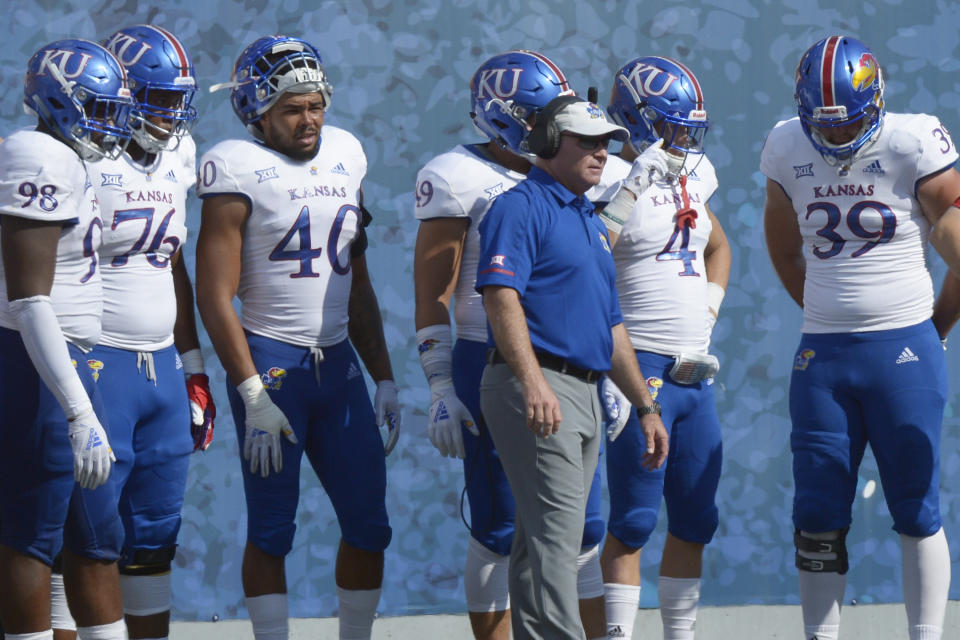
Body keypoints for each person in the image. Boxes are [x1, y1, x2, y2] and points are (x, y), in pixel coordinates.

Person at [195, 35, 400, 640]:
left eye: (315, 105)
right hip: (271, 364)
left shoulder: (346, 153)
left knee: (369, 525)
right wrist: (252, 391)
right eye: (292, 108)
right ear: (257, 111)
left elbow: (354, 274)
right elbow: (214, 295)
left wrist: (383, 374)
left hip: (337, 367)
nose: (309, 119)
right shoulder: (234, 167)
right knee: (272, 529)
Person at [761, 35, 960, 640]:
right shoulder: (785, 142)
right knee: (817, 511)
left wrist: (933, 329)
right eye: (826, 124)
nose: (838, 136)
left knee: (915, 505)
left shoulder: (913, 138)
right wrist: (828, 314)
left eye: (848, 124)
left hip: (904, 349)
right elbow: (786, 249)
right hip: (824, 353)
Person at [413, 50, 608, 640]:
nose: (550, 126)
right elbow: (434, 293)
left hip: (570, 362)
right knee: (499, 526)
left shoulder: (577, 169)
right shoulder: (457, 176)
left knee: (583, 527)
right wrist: (441, 384)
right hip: (491, 356)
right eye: (538, 116)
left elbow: (594, 276)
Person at [475, 94, 670, 640]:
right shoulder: (520, 206)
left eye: (606, 142)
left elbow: (611, 329)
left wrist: (645, 405)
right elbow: (500, 296)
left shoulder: (587, 217)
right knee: (554, 540)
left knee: (550, 538)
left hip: (582, 391)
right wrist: (533, 380)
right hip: (537, 384)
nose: (602, 152)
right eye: (586, 141)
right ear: (548, 143)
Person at [0, 38, 134, 640]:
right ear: (58, 101)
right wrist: (77, 410)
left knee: (97, 537)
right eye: (98, 109)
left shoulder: (66, 158)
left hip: (78, 360)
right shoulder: (34, 154)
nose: (111, 125)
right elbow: (29, 300)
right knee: (31, 535)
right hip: (38, 364)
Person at [84, 24, 215, 640]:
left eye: (177, 99)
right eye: (160, 99)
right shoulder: (79, 156)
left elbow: (174, 260)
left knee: (156, 535)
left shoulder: (180, 152)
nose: (172, 114)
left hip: (160, 364)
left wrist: (192, 364)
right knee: (88, 533)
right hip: (97, 358)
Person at [595, 56, 730, 640]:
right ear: (637, 119)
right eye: (672, 126)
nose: (682, 139)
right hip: (638, 366)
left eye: (688, 128)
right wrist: (631, 184)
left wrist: (709, 306)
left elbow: (717, 244)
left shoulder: (693, 174)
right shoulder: (604, 174)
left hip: (694, 373)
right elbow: (588, 251)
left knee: (697, 518)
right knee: (633, 520)